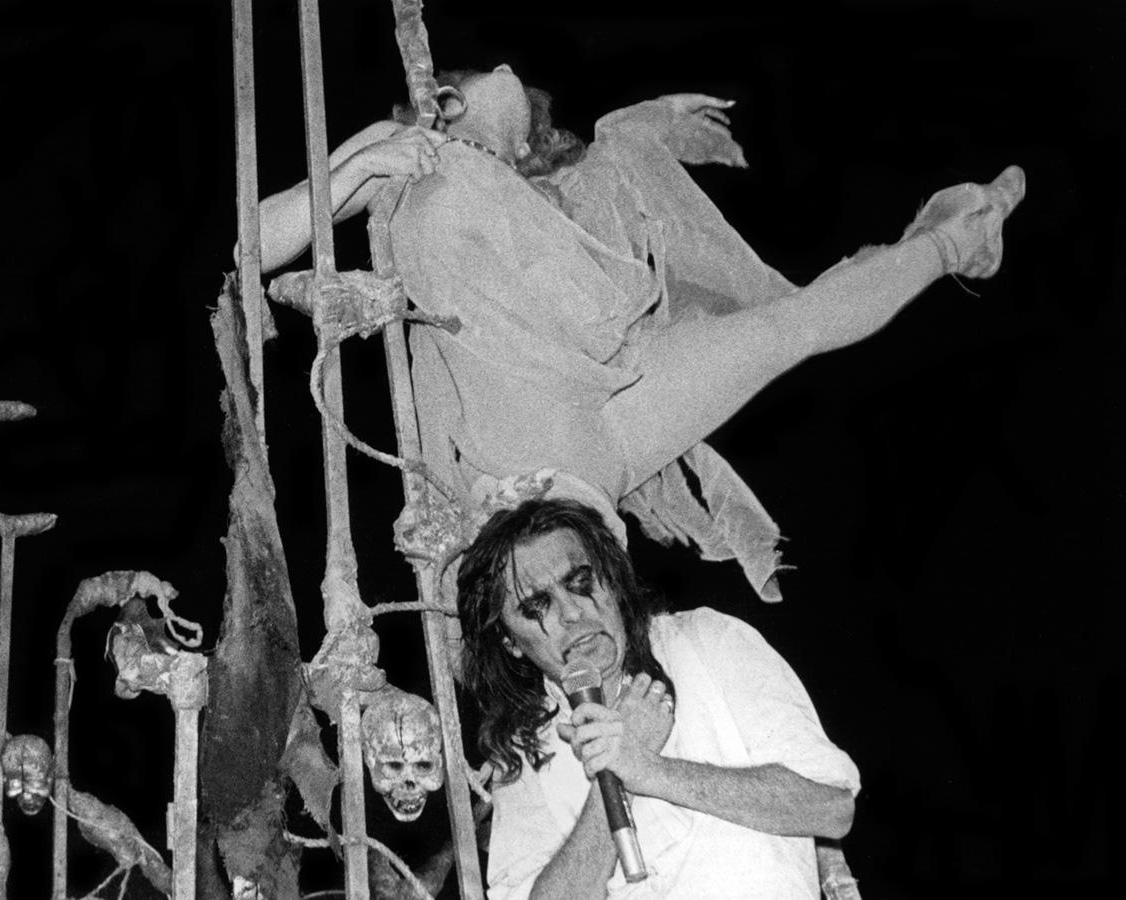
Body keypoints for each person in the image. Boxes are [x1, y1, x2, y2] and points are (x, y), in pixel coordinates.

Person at [252, 65, 1026, 600]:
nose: (509, 70)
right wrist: (361, 166)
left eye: (528, 101)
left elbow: (627, 196)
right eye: (490, 71)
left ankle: (957, 241)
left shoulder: (562, 190)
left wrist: (643, 129)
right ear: (448, 97)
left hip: (613, 411)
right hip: (520, 432)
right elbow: (251, 242)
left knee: (789, 326)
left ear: (528, 143)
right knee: (567, 620)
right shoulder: (412, 153)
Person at [456, 497, 860, 899]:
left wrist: (649, 769)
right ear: (509, 641)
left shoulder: (706, 640)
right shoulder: (523, 749)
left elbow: (831, 808)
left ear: (611, 580)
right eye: (536, 606)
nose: (572, 612)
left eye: (579, 582)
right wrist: (609, 787)